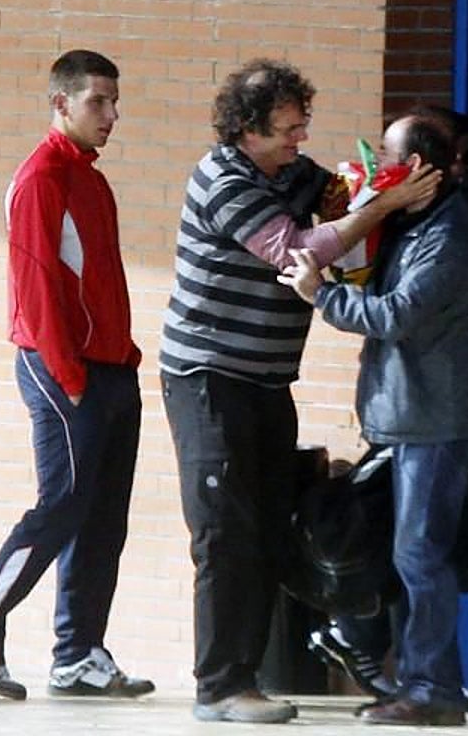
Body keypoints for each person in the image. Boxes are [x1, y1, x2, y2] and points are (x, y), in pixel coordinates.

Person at [159, 58, 440, 724]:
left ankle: (247, 677)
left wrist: (371, 188)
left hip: (267, 379)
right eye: (288, 128)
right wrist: (382, 206)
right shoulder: (223, 179)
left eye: (301, 124)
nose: (300, 138)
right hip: (210, 379)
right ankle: (219, 686)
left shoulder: (292, 173)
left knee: (265, 528)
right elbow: (296, 250)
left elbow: (338, 197)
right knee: (224, 533)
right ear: (248, 129)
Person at [0, 49, 153, 702]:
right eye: (97, 102)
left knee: (103, 519)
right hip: (63, 371)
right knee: (60, 507)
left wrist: (123, 361)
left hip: (111, 371)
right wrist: (71, 378)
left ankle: (78, 655)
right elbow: (34, 292)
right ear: (61, 103)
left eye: (115, 102)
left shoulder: (92, 179)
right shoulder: (40, 179)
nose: (111, 115)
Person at [278, 113, 468, 726]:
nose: (375, 165)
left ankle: (433, 691)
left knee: (420, 556)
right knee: (399, 553)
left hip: (436, 422)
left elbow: (394, 315)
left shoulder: (450, 237)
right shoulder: (413, 224)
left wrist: (319, 293)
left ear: (417, 167)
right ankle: (404, 673)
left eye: (385, 155)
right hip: (405, 417)